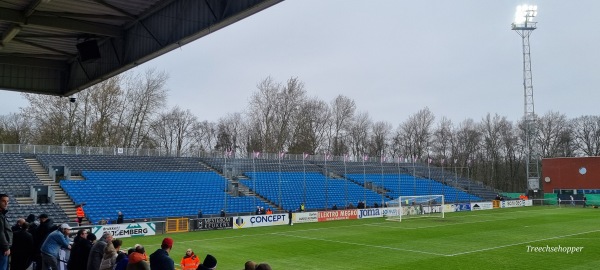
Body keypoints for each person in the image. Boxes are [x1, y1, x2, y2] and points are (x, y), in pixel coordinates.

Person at [0, 194, 13, 270]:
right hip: (2, 248)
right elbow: (0, 233)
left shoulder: (2, 214)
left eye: (7, 201)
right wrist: (6, 247)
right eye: (3, 201)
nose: (6, 203)